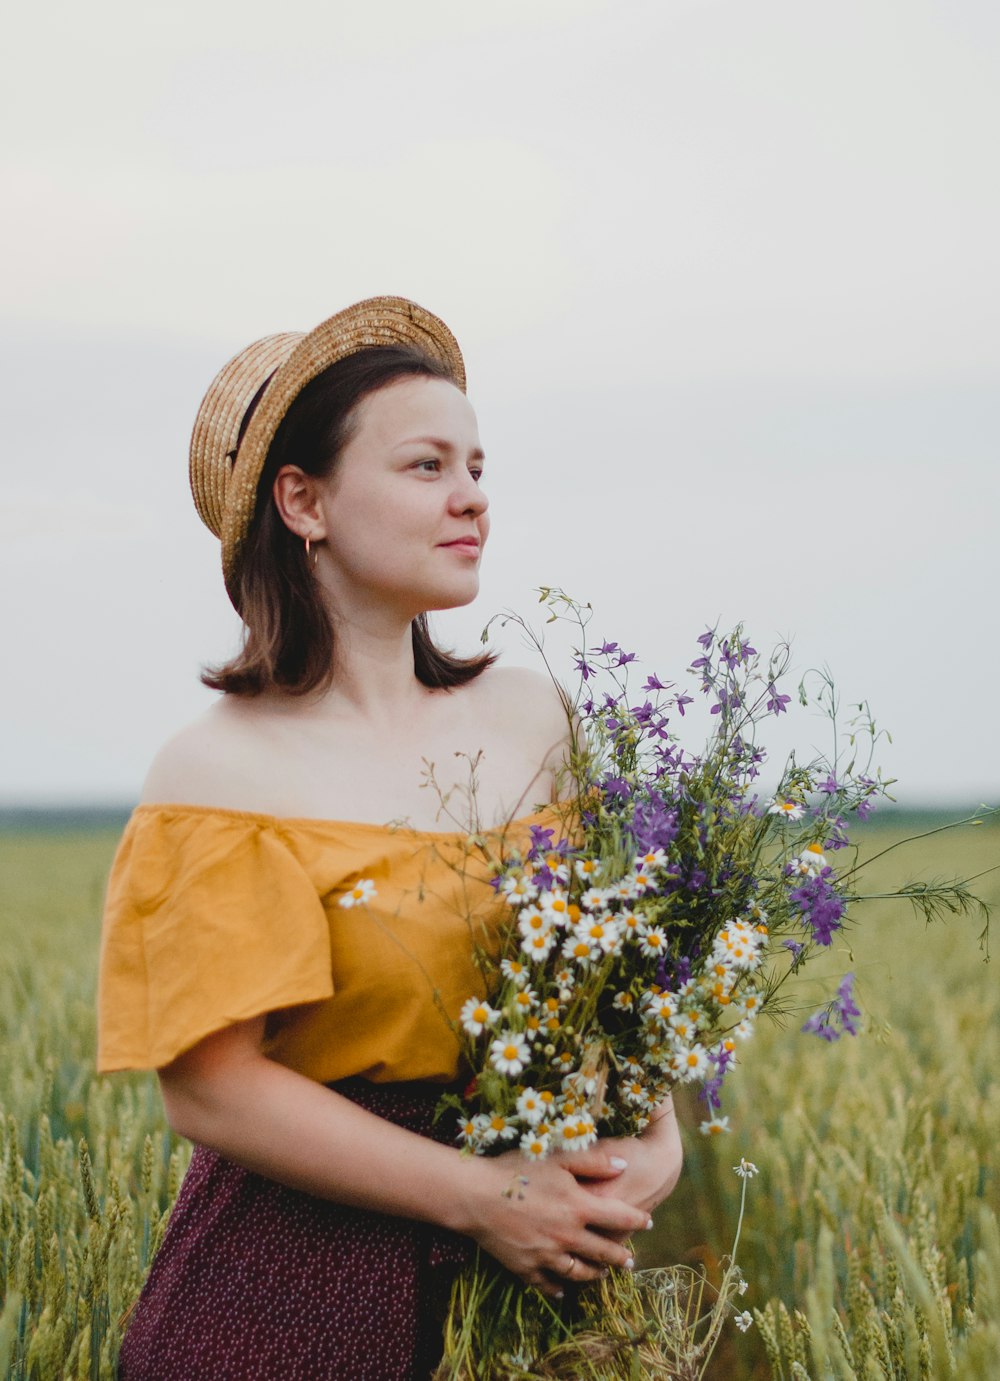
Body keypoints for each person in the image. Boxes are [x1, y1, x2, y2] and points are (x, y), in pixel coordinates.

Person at [97, 296, 683, 1379]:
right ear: (302, 499)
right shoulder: (216, 774)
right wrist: (479, 1195)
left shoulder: (533, 718)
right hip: (284, 1304)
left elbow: (603, 976)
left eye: (476, 465)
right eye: (426, 466)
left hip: (532, 1297)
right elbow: (210, 1087)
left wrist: (654, 1139)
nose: (473, 498)